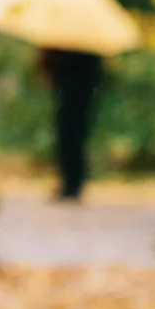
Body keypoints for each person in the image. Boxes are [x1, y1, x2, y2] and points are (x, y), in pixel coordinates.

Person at [38, 47, 105, 201]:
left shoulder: (70, 41)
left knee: (70, 136)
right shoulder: (86, 41)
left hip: (74, 87)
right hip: (75, 86)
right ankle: (71, 183)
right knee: (72, 136)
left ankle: (72, 184)